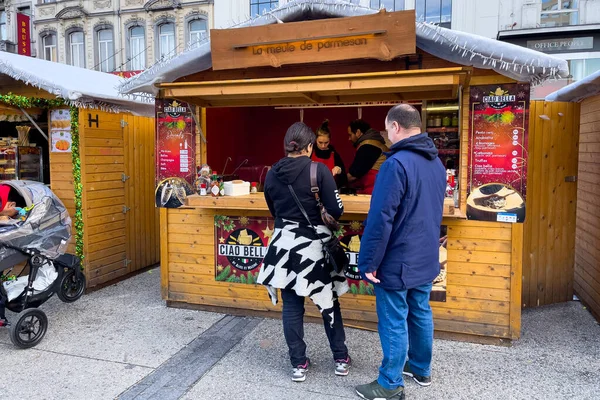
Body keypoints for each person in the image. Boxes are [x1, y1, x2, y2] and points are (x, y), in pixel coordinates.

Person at [354, 105, 446, 400]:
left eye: (386, 130)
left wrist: (368, 261)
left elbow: (381, 218)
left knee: (394, 319)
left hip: (398, 259)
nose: (386, 136)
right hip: (425, 257)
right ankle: (420, 368)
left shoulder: (395, 165)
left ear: (395, 127)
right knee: (420, 311)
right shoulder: (436, 163)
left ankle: (390, 385)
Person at [257, 122, 351, 383]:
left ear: (287, 145)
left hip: (283, 246)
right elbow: (337, 210)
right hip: (313, 247)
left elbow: (274, 210)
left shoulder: (272, 173)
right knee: (328, 301)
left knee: (291, 306)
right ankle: (341, 359)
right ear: (310, 146)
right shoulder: (318, 170)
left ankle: (298, 364)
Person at [346, 119, 389, 194]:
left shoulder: (368, 146)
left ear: (358, 132)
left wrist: (335, 183)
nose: (349, 138)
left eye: (350, 135)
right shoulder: (375, 143)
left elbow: (353, 175)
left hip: (375, 191)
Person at [311, 120, 347, 187]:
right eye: (320, 142)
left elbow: (344, 179)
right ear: (315, 139)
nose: (323, 146)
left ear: (330, 140)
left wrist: (339, 170)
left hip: (330, 190)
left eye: (326, 143)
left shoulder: (334, 154)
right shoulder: (310, 152)